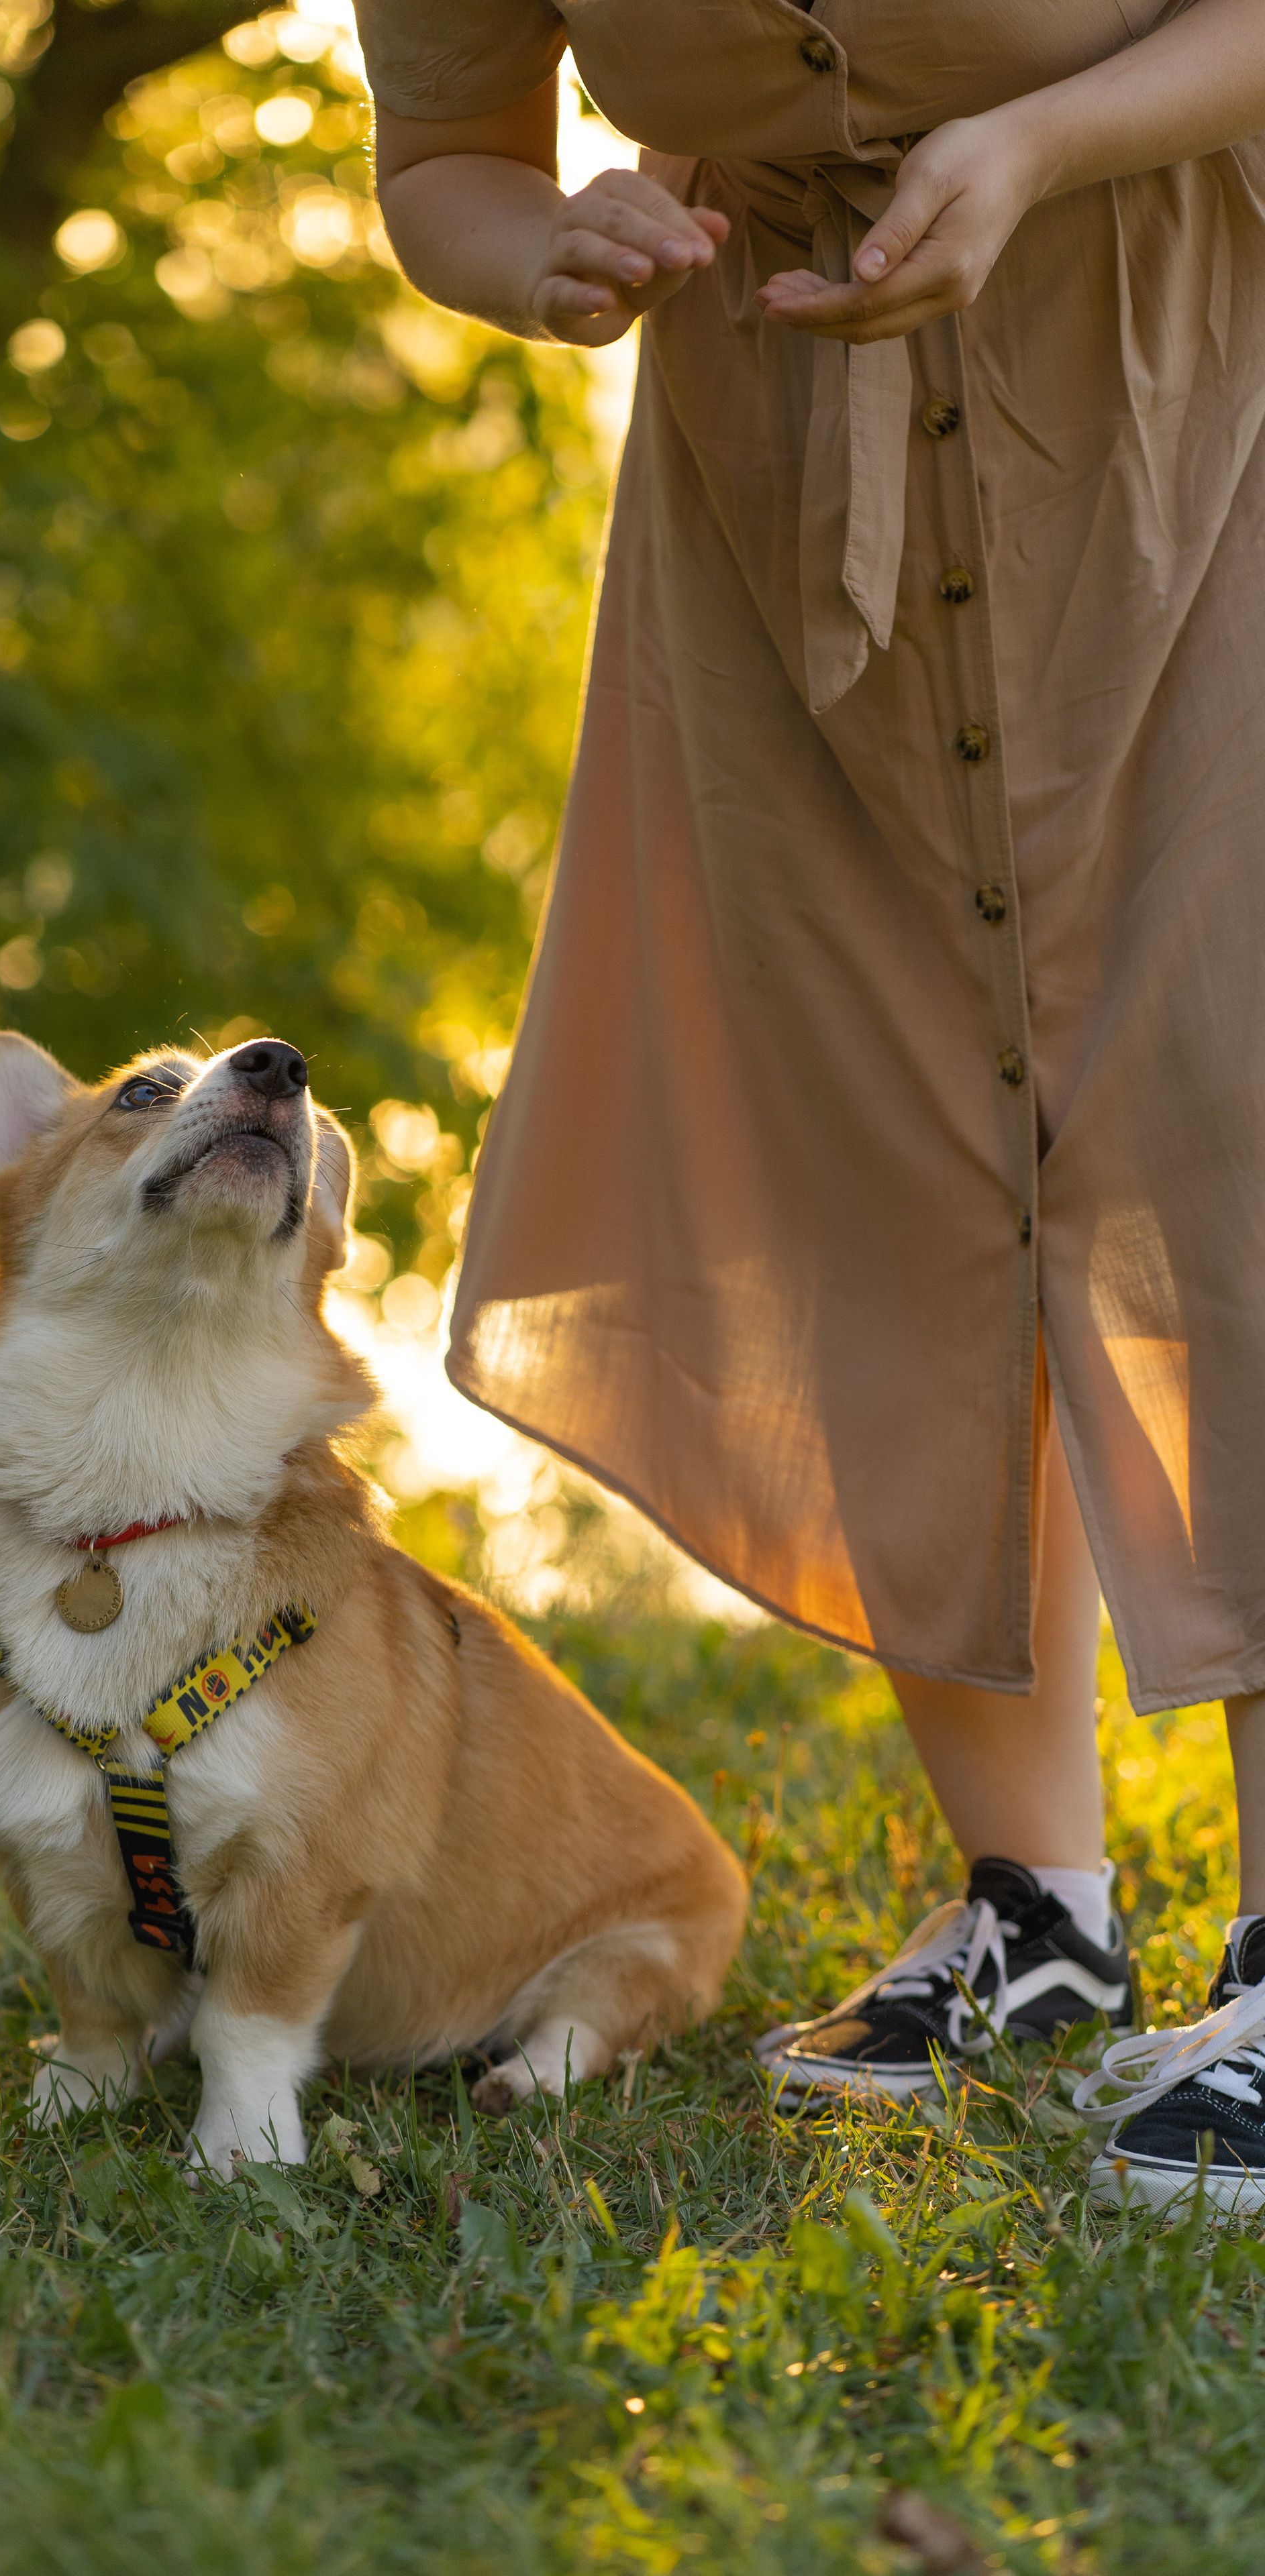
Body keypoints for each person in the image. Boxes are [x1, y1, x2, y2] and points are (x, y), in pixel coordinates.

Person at [352, 0, 1265, 2212]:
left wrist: (1044, 142)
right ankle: (1036, 1913)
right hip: (776, 480)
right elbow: (441, 158)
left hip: (1180, 417)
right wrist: (543, 252)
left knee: (1228, 1146)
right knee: (879, 1157)